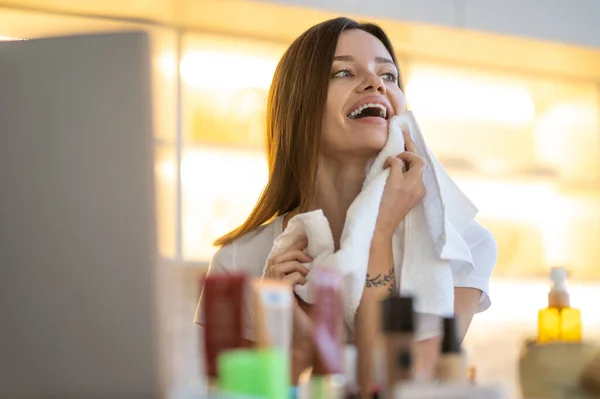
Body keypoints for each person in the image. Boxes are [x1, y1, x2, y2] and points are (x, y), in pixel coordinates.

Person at [194, 16, 497, 395]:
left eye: (388, 76)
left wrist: (380, 234)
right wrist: (284, 330)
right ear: (299, 103)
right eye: (342, 73)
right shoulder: (237, 262)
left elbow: (397, 386)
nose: (375, 84)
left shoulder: (461, 248)